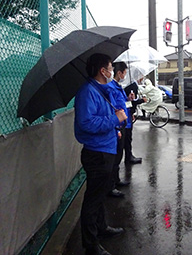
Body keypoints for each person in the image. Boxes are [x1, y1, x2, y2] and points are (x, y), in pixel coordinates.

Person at [74, 53, 127, 255]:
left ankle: (102, 227)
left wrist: (115, 128)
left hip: (106, 148)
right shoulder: (88, 92)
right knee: (92, 200)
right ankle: (91, 245)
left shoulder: (100, 90)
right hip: (97, 154)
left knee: (99, 194)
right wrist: (115, 120)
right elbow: (86, 123)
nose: (112, 71)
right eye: (110, 67)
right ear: (102, 71)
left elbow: (101, 117)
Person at [107, 62, 135, 198]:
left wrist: (129, 99)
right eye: (124, 72)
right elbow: (114, 108)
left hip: (124, 123)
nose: (124, 75)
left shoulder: (118, 87)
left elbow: (123, 104)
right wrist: (117, 127)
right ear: (119, 73)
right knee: (115, 156)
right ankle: (111, 186)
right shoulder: (111, 88)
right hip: (118, 125)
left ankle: (116, 180)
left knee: (119, 155)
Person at [123, 77, 146, 164]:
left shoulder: (131, 85)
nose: (143, 77)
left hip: (128, 114)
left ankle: (129, 156)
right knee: (127, 138)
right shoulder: (132, 86)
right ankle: (128, 157)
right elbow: (130, 102)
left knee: (128, 137)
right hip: (126, 116)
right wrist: (141, 100)